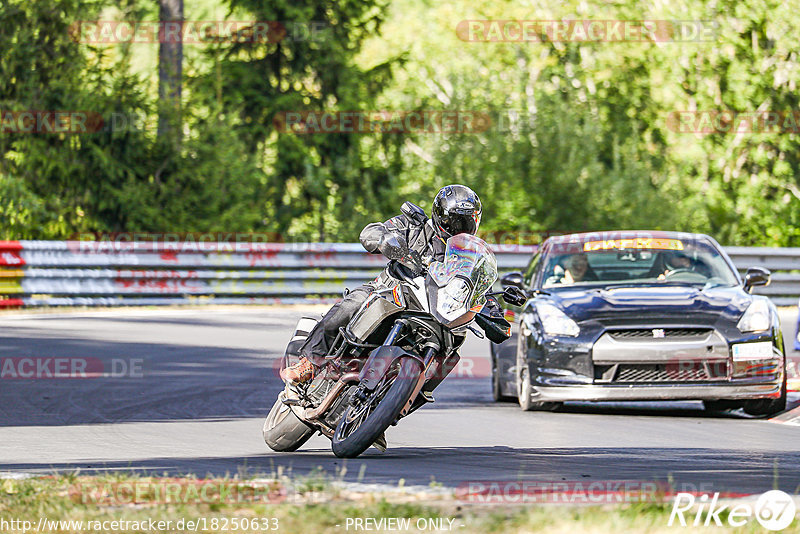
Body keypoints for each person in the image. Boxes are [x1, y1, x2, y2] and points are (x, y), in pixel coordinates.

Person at [282, 184, 485, 384]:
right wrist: (385, 240)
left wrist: (492, 309)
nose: (459, 228)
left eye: (466, 222)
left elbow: (478, 286)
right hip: (389, 290)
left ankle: (413, 393)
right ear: (441, 215)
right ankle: (310, 361)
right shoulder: (415, 227)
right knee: (353, 303)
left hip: (433, 311)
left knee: (452, 347)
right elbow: (370, 232)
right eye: (455, 221)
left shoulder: (467, 255)